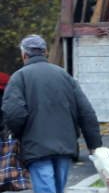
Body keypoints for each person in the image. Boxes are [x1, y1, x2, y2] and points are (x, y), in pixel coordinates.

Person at [1, 35, 101, 193]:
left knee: (46, 189)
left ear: (24, 55)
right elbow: (86, 111)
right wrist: (94, 145)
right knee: (57, 188)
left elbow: (14, 114)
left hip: (36, 146)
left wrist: (19, 135)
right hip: (65, 145)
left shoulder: (19, 78)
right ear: (45, 52)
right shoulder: (64, 76)